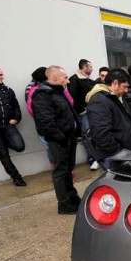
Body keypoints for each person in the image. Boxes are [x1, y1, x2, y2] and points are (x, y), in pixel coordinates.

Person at [31, 66, 81, 213]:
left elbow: (69, 113)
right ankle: (64, 205)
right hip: (59, 140)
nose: (68, 80)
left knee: (68, 170)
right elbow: (45, 122)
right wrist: (60, 137)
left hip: (69, 137)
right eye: (64, 77)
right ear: (54, 78)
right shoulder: (42, 95)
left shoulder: (58, 92)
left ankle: (72, 198)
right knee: (61, 171)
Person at [85, 68, 131, 166]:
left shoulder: (114, 97)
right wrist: (119, 152)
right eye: (125, 87)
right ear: (115, 83)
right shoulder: (99, 100)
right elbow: (101, 134)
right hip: (116, 158)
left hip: (125, 155)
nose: (126, 90)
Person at [25, 66, 74, 163]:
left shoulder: (59, 90)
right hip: (56, 134)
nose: (67, 81)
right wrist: (59, 136)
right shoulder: (39, 93)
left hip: (65, 132)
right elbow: (40, 115)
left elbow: (70, 103)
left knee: (66, 163)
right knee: (58, 161)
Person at [67, 58, 98, 170]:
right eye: (90, 67)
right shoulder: (74, 80)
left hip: (91, 112)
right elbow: (72, 98)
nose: (92, 69)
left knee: (92, 135)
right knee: (87, 136)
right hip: (83, 113)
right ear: (84, 67)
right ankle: (92, 159)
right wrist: (81, 110)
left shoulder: (88, 80)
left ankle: (96, 157)